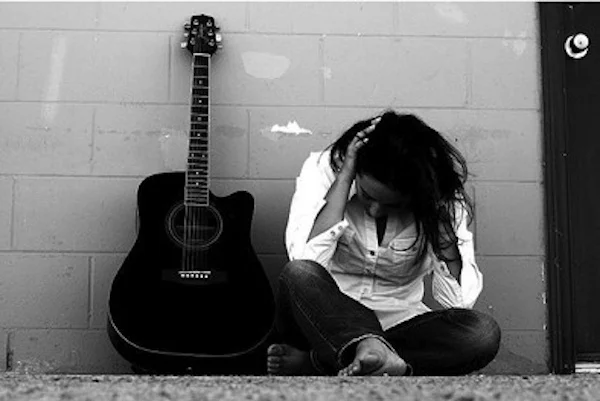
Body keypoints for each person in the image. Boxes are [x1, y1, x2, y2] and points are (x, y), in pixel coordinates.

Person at [266, 110, 501, 376]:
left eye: (392, 205)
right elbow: (306, 260)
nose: (376, 210)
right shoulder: (324, 169)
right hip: (327, 320)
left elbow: (458, 303)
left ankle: (324, 362)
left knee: (481, 334)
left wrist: (439, 221)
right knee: (299, 273)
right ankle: (367, 348)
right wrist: (344, 179)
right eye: (367, 195)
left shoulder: (443, 199)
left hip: (400, 322)